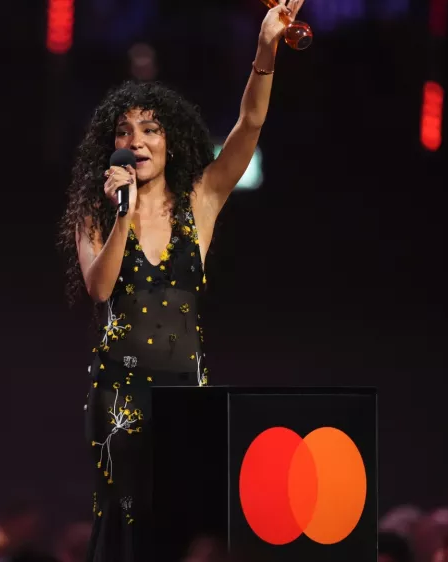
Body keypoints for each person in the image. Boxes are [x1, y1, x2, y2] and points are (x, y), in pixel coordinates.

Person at [57, 0, 305, 559]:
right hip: (119, 394)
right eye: (126, 131)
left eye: (150, 129)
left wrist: (265, 50)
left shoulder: (202, 199)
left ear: (172, 141)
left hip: (182, 391)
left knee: (180, 521)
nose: (138, 140)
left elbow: (251, 125)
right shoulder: (97, 213)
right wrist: (121, 212)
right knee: (127, 526)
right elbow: (99, 289)